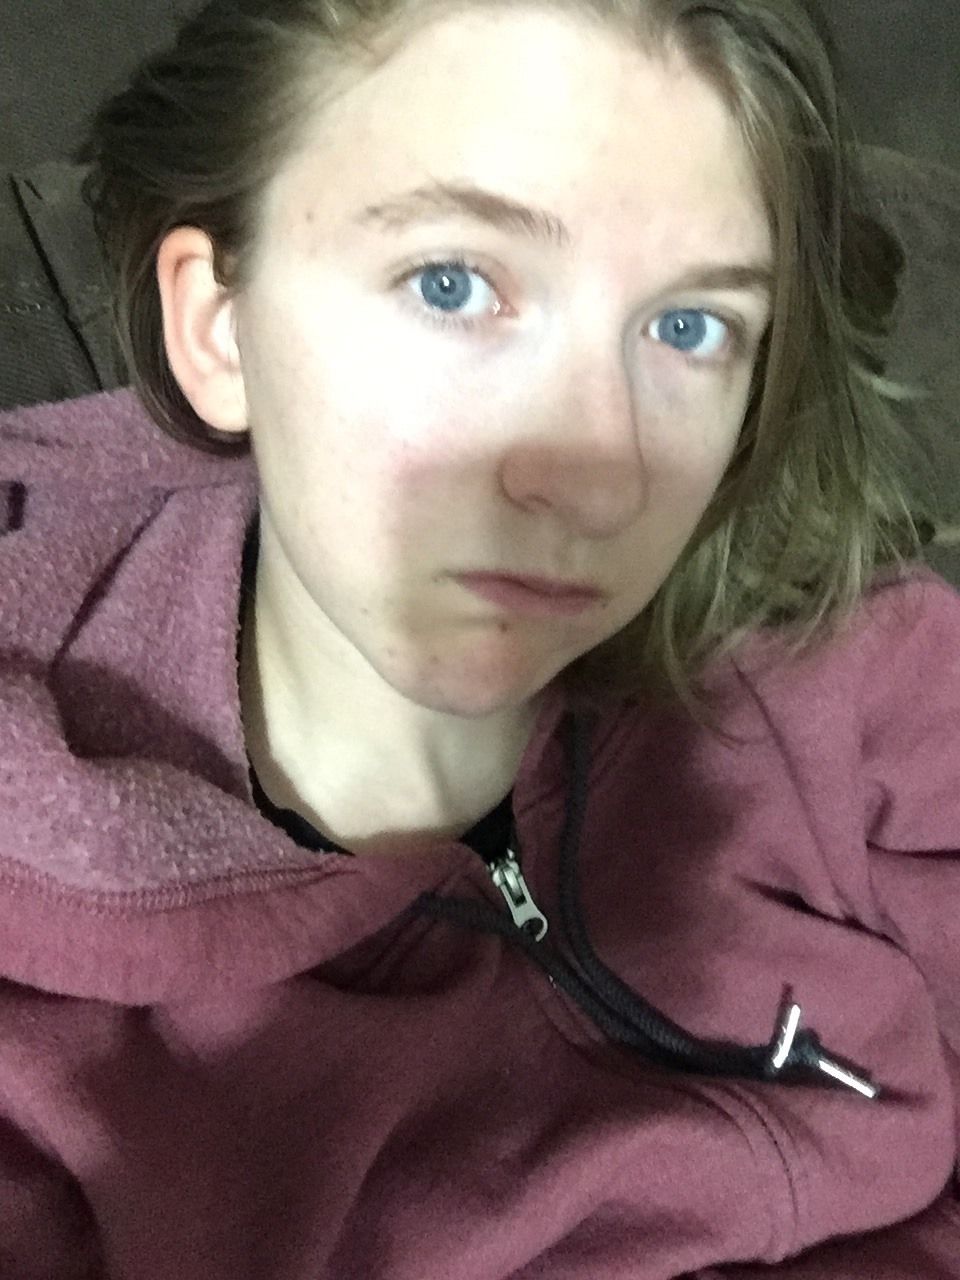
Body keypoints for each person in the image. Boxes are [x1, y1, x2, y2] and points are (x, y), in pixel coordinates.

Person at [0, 0, 956, 1275]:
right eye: (451, 284)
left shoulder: (856, 673)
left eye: (690, 327)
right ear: (220, 327)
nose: (598, 475)